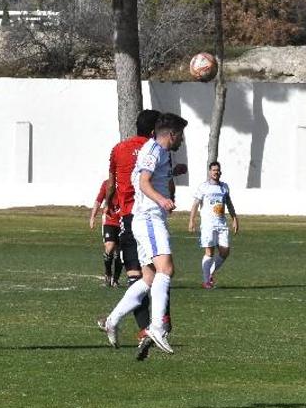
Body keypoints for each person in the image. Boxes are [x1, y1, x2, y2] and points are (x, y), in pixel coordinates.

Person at [99, 112, 188, 356]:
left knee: (148, 280)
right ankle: (157, 327)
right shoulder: (154, 150)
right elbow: (143, 181)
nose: (182, 140)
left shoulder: (158, 151)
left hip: (145, 217)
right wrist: (162, 199)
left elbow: (148, 177)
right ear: (171, 134)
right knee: (166, 269)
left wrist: (170, 178)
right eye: (181, 135)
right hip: (148, 217)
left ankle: (112, 320)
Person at [188, 161, 239, 289]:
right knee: (209, 252)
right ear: (209, 172)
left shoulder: (224, 187)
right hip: (208, 224)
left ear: (220, 172)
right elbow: (195, 204)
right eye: (213, 170)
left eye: (217, 170)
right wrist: (192, 220)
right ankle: (206, 281)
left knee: (225, 251)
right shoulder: (203, 187)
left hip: (221, 224)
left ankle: (210, 273)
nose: (216, 172)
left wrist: (234, 219)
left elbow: (229, 204)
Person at [90, 177, 123, 287]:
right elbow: (98, 201)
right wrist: (92, 217)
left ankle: (116, 279)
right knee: (109, 246)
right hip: (109, 221)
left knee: (119, 253)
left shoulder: (128, 183)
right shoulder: (107, 184)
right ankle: (108, 274)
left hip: (123, 221)